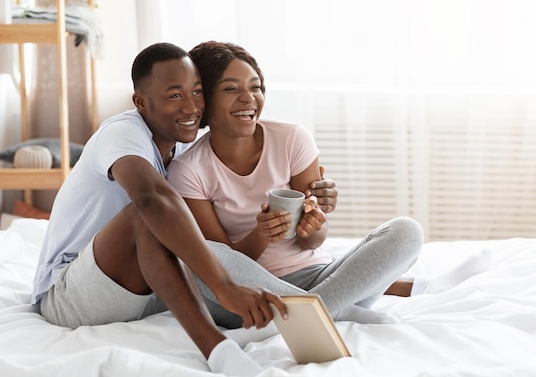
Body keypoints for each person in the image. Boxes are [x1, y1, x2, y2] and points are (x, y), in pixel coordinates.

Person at [31, 42, 296, 377]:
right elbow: (152, 199)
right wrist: (223, 286)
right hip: (69, 294)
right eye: (175, 96)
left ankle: (323, 306)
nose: (192, 107)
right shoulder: (123, 134)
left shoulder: (182, 143)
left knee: (203, 246)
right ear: (142, 102)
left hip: (139, 286)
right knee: (147, 217)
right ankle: (216, 349)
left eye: (197, 92)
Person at [166, 41, 426, 328]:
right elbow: (219, 268)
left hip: (318, 276)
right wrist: (262, 234)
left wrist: (314, 225)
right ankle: (331, 311)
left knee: (406, 231)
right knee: (204, 255)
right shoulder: (187, 170)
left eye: (255, 87)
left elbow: (313, 240)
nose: (248, 99)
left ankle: (311, 313)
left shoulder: (292, 138)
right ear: (204, 99)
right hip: (248, 295)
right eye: (231, 89)